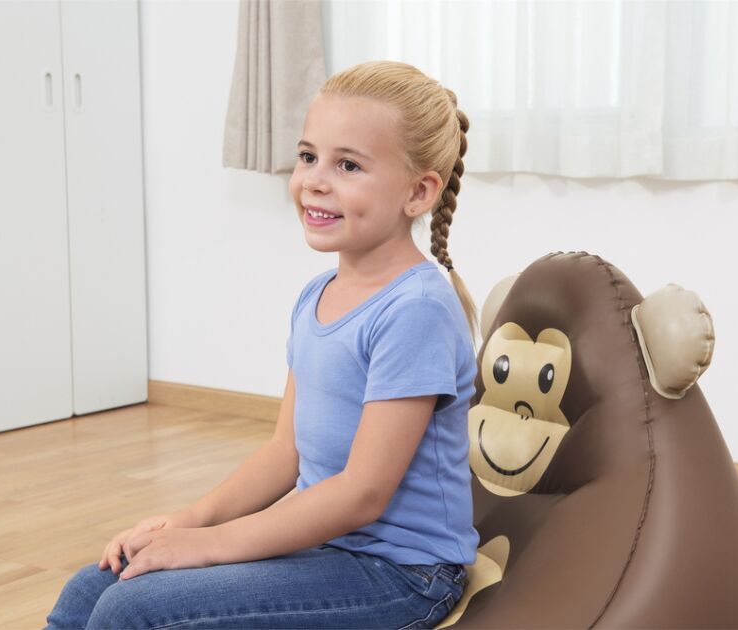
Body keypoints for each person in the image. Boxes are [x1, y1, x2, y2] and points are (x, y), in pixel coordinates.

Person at [45, 60, 480, 630]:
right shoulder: (317, 295)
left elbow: (362, 493)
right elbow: (285, 452)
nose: (314, 181)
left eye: (348, 165)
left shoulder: (416, 310)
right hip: (329, 547)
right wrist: (190, 521)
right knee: (91, 587)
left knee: (133, 610)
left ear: (419, 192)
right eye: (308, 156)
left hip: (404, 575)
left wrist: (210, 546)